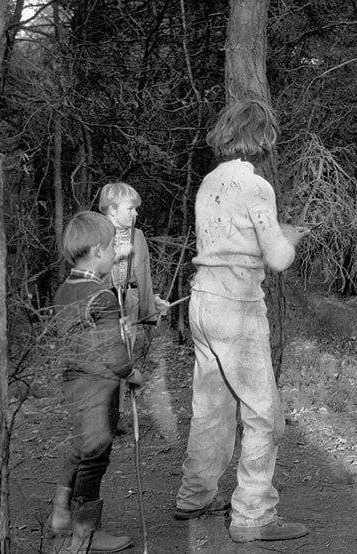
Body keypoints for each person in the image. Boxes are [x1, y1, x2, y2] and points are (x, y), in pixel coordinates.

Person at [174, 96, 310, 543]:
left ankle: (195, 496)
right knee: (263, 412)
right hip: (236, 305)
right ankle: (254, 515)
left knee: (211, 408)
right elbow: (277, 258)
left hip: (202, 302)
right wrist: (290, 235)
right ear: (262, 136)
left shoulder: (209, 182)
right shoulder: (255, 186)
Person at [48, 211, 143, 553]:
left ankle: (60, 509)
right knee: (96, 454)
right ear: (98, 251)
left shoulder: (64, 290)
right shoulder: (101, 298)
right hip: (98, 386)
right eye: (112, 251)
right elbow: (113, 354)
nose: (115, 257)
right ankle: (85, 533)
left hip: (73, 381)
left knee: (82, 445)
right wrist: (132, 373)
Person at [98, 182, 169, 434]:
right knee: (108, 360)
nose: (136, 214)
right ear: (112, 210)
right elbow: (91, 274)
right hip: (106, 307)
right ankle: (103, 420)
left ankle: (116, 418)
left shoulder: (138, 236)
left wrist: (152, 305)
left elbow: (144, 275)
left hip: (131, 303)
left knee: (125, 357)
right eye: (131, 208)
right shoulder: (97, 235)